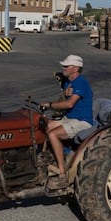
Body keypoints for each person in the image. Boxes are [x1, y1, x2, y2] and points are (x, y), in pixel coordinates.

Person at [41, 54, 93, 189]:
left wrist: (49, 105)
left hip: (81, 121)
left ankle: (62, 173)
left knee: (53, 134)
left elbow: (69, 104)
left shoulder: (81, 82)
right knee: (46, 125)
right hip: (70, 119)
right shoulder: (69, 82)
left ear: (75, 68)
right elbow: (63, 94)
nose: (63, 68)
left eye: (66, 66)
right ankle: (46, 157)